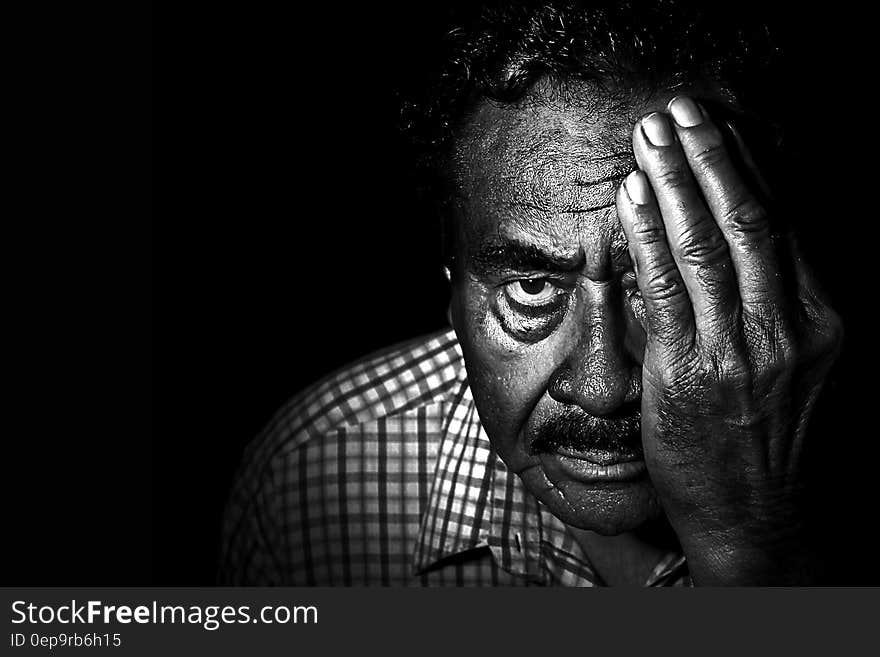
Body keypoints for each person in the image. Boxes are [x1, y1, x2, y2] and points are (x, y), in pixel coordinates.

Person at [218, 1, 841, 586]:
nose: (602, 388)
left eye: (666, 285)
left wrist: (750, 542)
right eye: (533, 287)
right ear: (452, 285)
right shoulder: (306, 484)